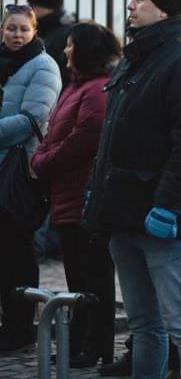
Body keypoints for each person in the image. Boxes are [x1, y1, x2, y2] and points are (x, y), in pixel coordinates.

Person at [82, 0, 181, 378]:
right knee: (145, 327)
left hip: (165, 223)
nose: (130, 4)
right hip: (124, 214)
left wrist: (166, 206)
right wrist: (98, 192)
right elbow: (112, 137)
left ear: (163, 9)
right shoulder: (137, 57)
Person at [29, 22, 120, 367]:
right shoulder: (75, 86)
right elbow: (54, 132)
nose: (65, 50)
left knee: (92, 277)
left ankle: (95, 346)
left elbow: (82, 139)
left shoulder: (95, 90)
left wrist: (43, 161)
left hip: (85, 198)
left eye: (70, 45)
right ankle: (80, 342)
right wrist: (44, 155)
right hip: (68, 197)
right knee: (77, 277)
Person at [0, 3, 62, 351]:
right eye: (11, 28)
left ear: (34, 31)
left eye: (24, 29)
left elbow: (33, 118)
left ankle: (20, 326)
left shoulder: (44, 66)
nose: (17, 35)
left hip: (19, 169)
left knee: (17, 250)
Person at [27, 0, 76, 89]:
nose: (31, 11)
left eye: (34, 6)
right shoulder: (40, 30)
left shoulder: (64, 33)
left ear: (48, 7)